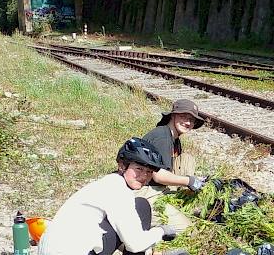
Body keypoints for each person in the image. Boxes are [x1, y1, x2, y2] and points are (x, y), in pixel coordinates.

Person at [37, 137, 179, 255]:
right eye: (139, 169)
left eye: (149, 172)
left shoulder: (107, 183)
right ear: (122, 166)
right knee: (142, 207)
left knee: (138, 207)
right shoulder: (117, 190)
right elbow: (135, 244)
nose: (144, 176)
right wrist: (161, 231)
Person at [137, 99, 208, 231]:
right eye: (183, 117)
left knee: (187, 159)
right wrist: (189, 181)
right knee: (188, 230)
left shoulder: (174, 138)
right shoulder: (162, 138)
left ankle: (176, 202)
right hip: (143, 192)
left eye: (191, 120)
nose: (188, 122)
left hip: (156, 188)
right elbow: (158, 176)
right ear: (173, 115)